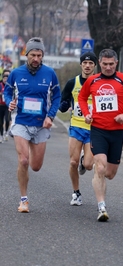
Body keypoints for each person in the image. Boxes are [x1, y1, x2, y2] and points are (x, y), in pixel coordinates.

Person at [78, 48, 123, 222]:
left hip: (117, 132)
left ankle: (95, 169)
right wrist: (87, 114)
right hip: (98, 129)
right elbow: (82, 98)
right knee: (100, 168)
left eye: (111, 64)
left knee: (110, 173)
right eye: (105, 64)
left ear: (116, 63)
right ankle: (102, 207)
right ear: (99, 63)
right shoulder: (92, 80)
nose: (108, 67)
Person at [4, 37, 61, 213]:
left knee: (35, 166)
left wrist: (50, 116)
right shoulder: (16, 73)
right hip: (21, 120)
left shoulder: (50, 73)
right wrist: (9, 103)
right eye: (33, 55)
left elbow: (57, 96)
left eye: (39, 55)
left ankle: (29, 151)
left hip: (41, 123)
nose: (36, 58)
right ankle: (24, 200)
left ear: (42, 55)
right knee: (23, 160)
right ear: (26, 54)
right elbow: (7, 92)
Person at [59, 52, 97, 206]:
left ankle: (84, 160)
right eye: (85, 63)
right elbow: (63, 101)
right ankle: (76, 193)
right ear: (81, 64)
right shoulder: (72, 83)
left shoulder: (99, 83)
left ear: (95, 66)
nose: (87, 66)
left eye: (91, 63)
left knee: (88, 165)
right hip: (76, 126)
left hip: (94, 129)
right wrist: (64, 105)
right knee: (73, 162)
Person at [0, 69, 11, 142]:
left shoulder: (10, 85)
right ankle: (1, 136)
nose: (5, 80)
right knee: (0, 122)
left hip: (7, 106)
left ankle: (6, 132)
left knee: (7, 120)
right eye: (4, 78)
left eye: (7, 78)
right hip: (0, 105)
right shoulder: (0, 85)